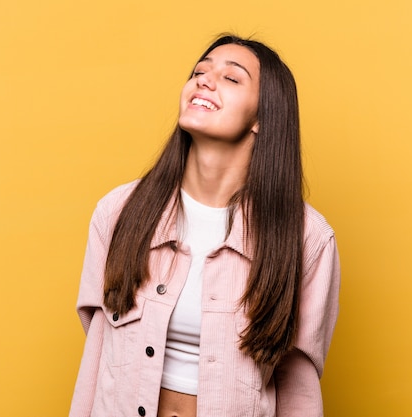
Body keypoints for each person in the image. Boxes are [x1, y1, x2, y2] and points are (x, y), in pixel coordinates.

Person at [69, 34, 340, 417]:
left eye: (232, 78)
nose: (204, 80)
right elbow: (98, 356)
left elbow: (298, 390)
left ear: (263, 117)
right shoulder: (119, 212)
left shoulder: (307, 240)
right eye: (199, 72)